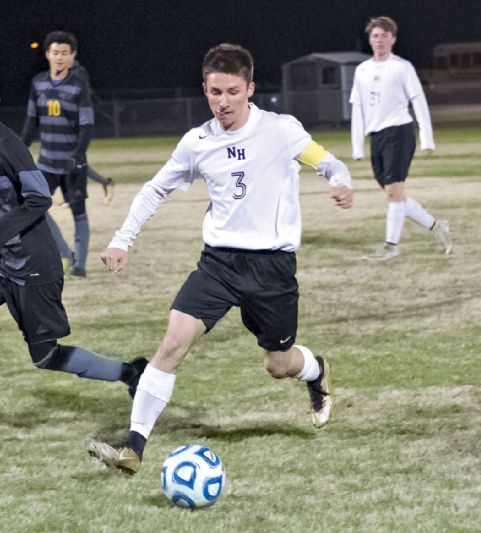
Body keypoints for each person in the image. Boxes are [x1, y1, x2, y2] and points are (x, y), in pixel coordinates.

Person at [87, 43, 353, 475]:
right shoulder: (198, 142)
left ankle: (317, 370)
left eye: (232, 91)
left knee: (278, 364)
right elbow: (155, 188)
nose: (223, 101)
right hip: (219, 264)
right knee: (172, 344)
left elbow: (328, 163)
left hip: (272, 268)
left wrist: (340, 182)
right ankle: (133, 447)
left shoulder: (281, 130)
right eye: (214, 92)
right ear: (205, 90)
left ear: (250, 88)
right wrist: (122, 239)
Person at [0, 64, 146, 443]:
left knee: (46, 357)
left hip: (34, 267)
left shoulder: (7, 145)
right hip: (0, 264)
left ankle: (131, 373)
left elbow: (39, 199)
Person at [350, 16, 452, 261]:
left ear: (393, 39)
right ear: (370, 40)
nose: (380, 40)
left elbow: (419, 100)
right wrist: (357, 146)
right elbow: (357, 107)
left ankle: (391, 247)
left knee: (395, 192)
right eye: (376, 35)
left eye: (385, 35)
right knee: (396, 196)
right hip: (377, 137)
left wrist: (427, 138)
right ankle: (437, 226)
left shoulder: (402, 67)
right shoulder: (361, 70)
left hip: (400, 132)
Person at [21, 31, 92, 277]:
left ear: (72, 56)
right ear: (47, 55)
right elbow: (31, 121)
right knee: (33, 207)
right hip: (47, 163)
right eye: (55, 53)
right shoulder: (37, 83)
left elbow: (87, 125)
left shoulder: (79, 86)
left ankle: (80, 265)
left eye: (64, 53)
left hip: (72, 164)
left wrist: (78, 155)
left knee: (78, 212)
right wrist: (20, 149)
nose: (59, 57)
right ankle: (65, 253)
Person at [68, 50, 115, 205]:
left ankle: (76, 195)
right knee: (77, 162)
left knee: (77, 161)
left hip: (79, 125)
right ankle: (101, 184)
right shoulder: (73, 73)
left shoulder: (78, 72)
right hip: (73, 124)